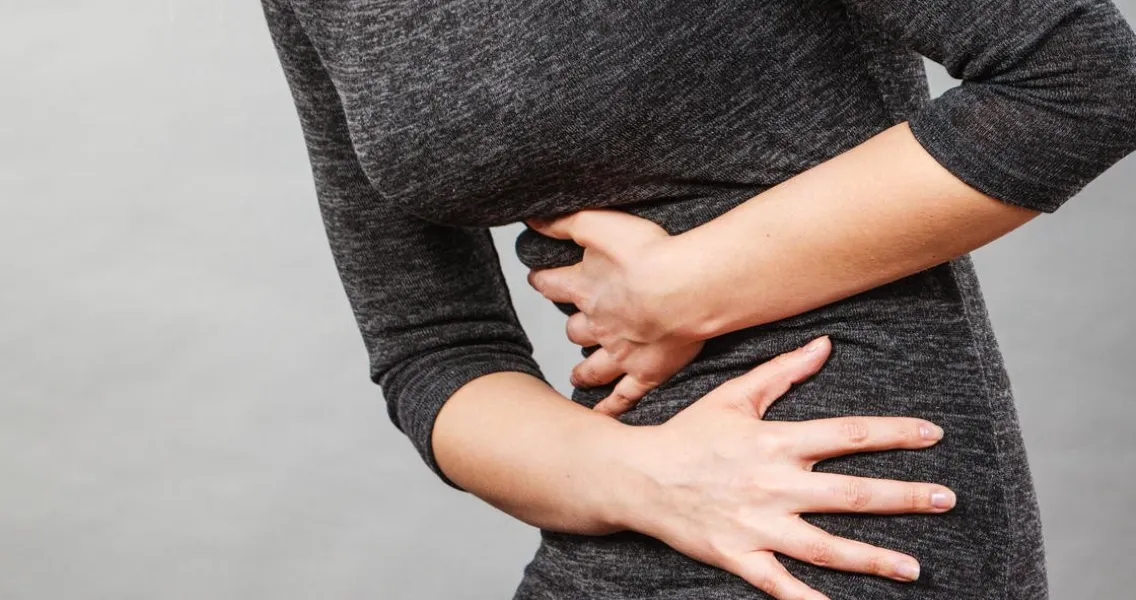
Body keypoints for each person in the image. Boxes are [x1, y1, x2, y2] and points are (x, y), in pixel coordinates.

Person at [258, 0, 1136, 598]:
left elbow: (1079, 80)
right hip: (628, 503)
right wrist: (641, 478)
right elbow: (430, 345)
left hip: (833, 498)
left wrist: (678, 290)